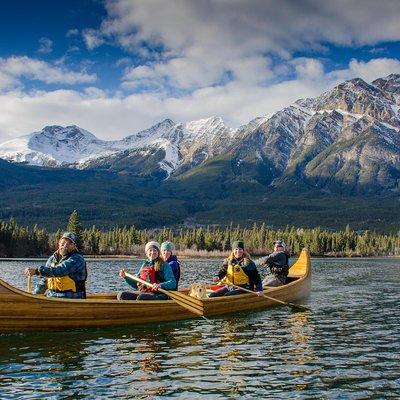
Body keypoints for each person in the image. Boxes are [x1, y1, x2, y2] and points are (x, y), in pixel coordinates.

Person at [24, 232, 87, 299]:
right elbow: (45, 280)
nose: (65, 245)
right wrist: (35, 296)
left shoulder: (77, 259)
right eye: (63, 242)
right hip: (52, 297)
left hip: (72, 299)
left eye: (69, 243)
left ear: (74, 246)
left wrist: (37, 271)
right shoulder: (52, 259)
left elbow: (60, 271)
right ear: (59, 243)